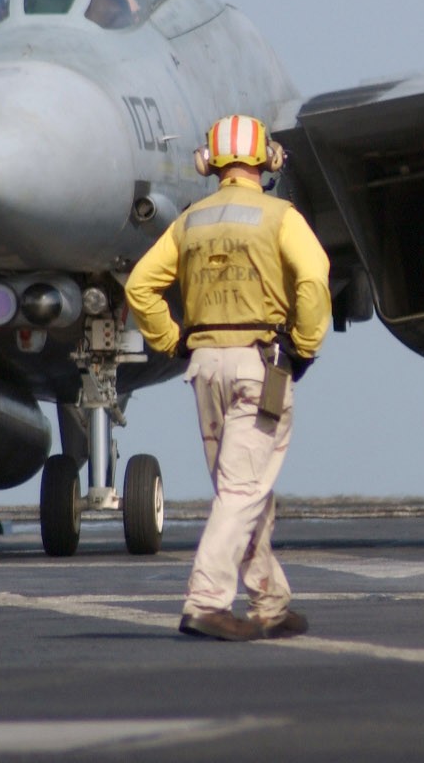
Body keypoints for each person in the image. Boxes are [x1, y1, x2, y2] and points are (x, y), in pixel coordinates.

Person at [125, 114, 331, 642]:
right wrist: (304, 348)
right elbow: (312, 277)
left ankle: (269, 602)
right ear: (266, 159)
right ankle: (207, 602)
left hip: (203, 366)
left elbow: (140, 288)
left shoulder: (190, 221)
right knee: (243, 487)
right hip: (259, 365)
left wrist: (171, 341)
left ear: (210, 162)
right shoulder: (279, 216)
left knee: (239, 486)